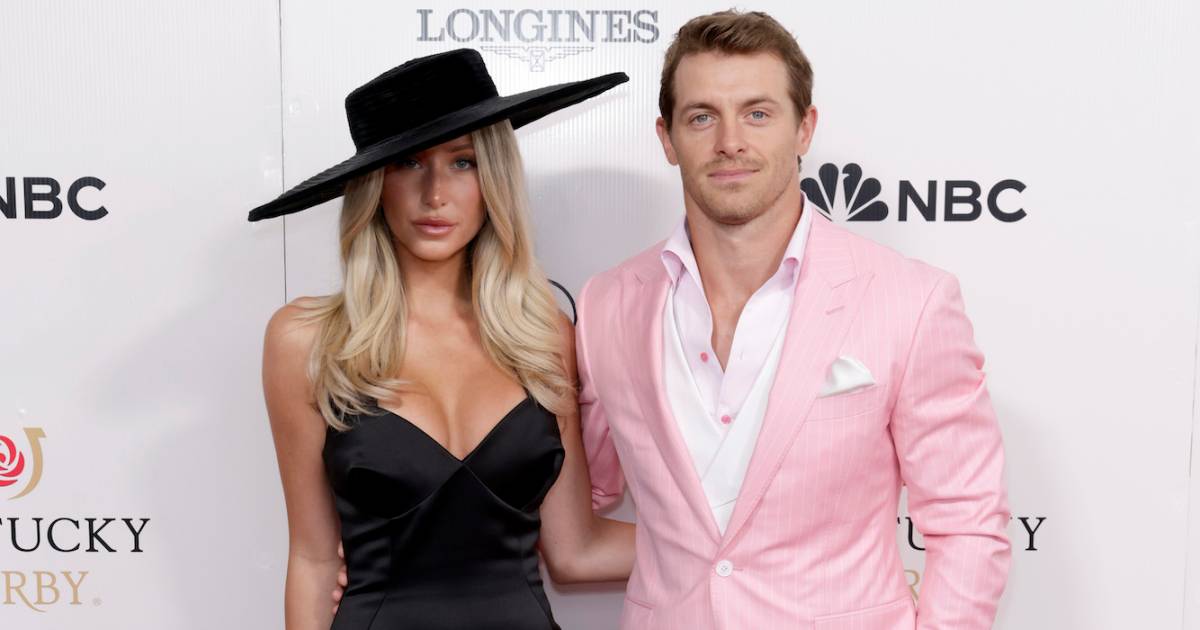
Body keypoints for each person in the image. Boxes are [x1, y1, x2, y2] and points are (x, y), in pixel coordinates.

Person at [576, 11, 1011, 629]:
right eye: (702, 117)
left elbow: (967, 522)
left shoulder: (910, 300)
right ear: (666, 139)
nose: (730, 141)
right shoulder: (605, 306)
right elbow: (584, 494)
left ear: (804, 129)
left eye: (757, 113)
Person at [250, 49, 634, 630]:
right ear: (373, 185)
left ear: (494, 177)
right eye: (408, 163)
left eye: (462, 162)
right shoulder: (307, 341)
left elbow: (576, 550)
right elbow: (312, 559)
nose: (435, 194)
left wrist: (751, 546)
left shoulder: (542, 335)